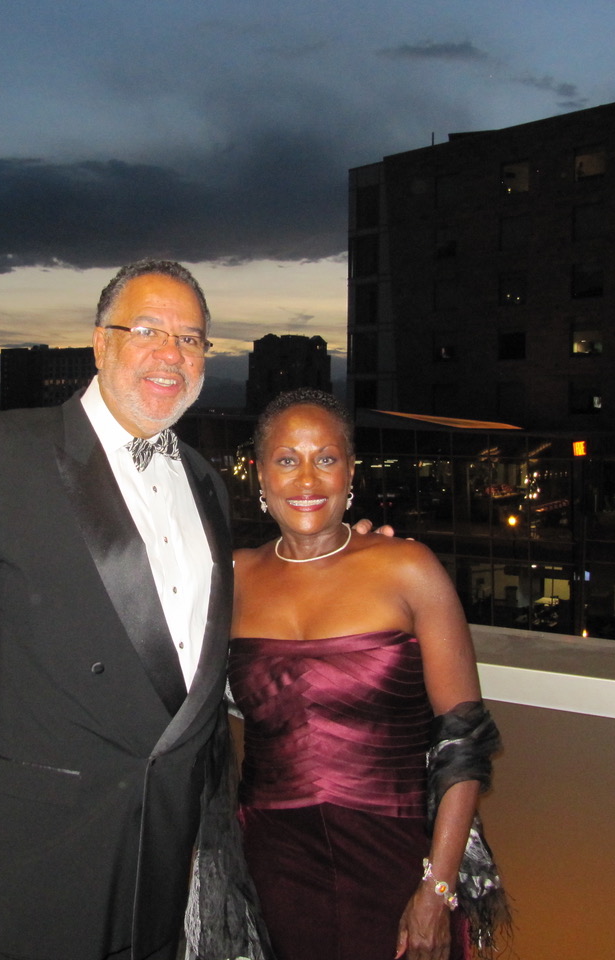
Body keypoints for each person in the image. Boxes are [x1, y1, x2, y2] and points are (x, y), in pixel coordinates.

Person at [0, 259, 234, 960]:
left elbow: (193, 657)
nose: (172, 354)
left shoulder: (205, 481)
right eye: (149, 330)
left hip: (160, 837)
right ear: (100, 344)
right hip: (36, 835)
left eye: (191, 340)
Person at [228, 388, 508, 960]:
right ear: (259, 473)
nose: (307, 479)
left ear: (351, 470)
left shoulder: (407, 567)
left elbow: (464, 744)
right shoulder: (230, 577)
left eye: (326, 458)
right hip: (273, 861)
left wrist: (437, 888)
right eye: (287, 460)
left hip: (397, 856)